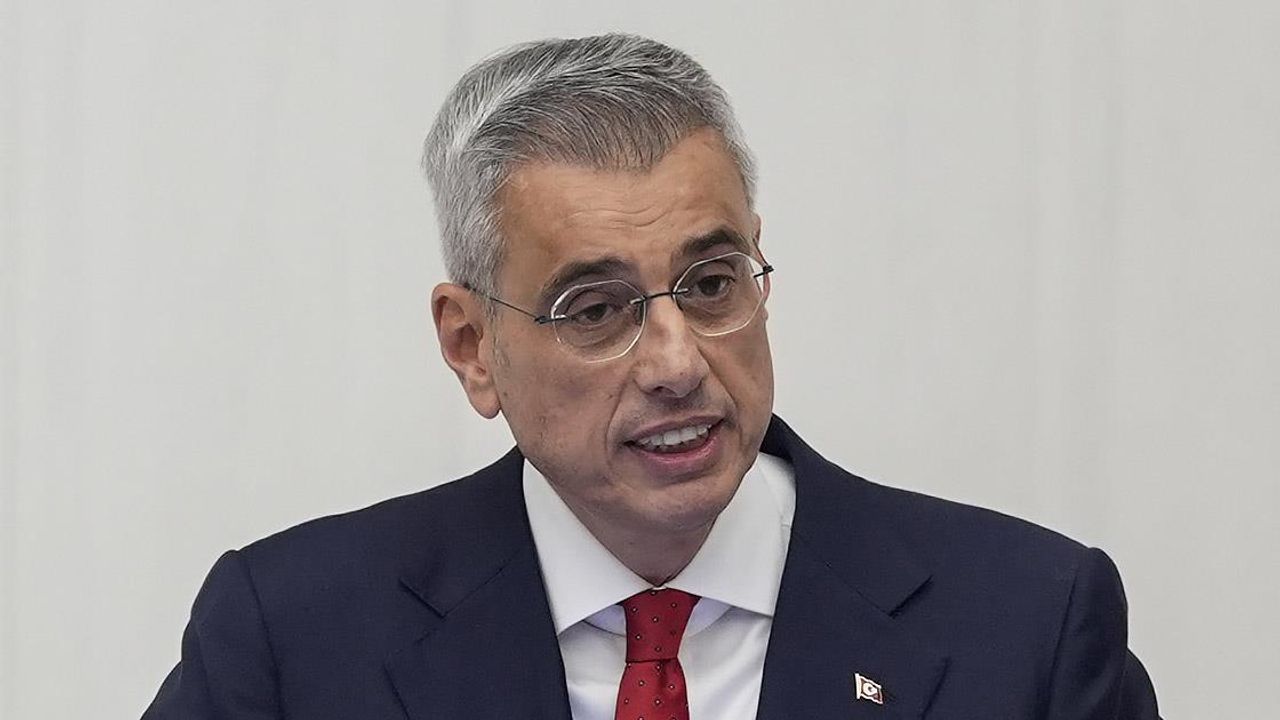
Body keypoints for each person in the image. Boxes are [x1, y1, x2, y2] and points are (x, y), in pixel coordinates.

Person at [143, 33, 1159, 719]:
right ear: (471, 346)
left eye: (711, 285)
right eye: (596, 311)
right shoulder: (292, 639)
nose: (676, 363)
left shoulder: (1028, 625)